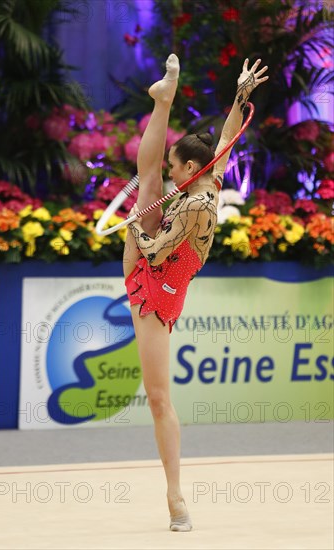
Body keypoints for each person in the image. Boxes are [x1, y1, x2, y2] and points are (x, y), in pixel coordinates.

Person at [123, 54, 269, 531]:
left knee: (159, 397)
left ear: (189, 166)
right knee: (146, 183)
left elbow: (159, 252)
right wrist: (239, 96)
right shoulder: (211, 172)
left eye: (174, 164)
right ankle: (163, 99)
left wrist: (133, 231)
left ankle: (174, 495)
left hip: (159, 282)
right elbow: (227, 136)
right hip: (158, 270)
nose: (170, 169)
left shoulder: (199, 205)